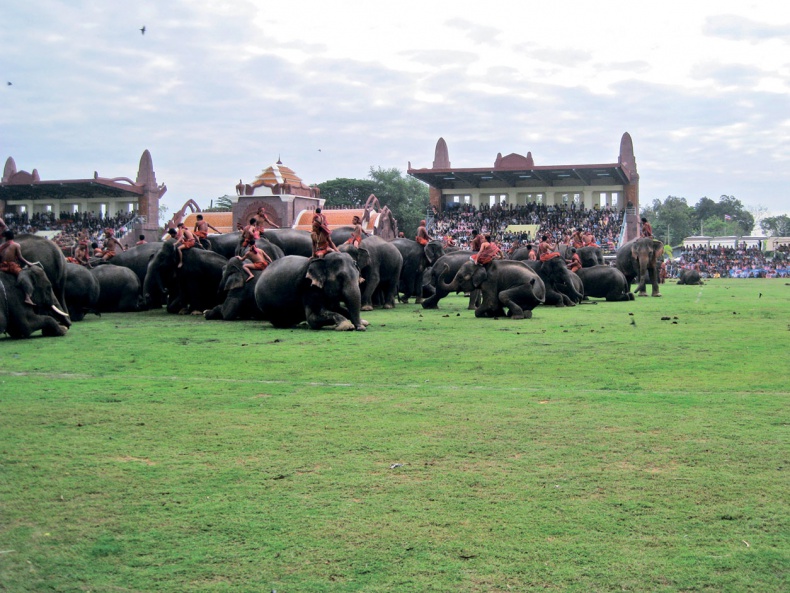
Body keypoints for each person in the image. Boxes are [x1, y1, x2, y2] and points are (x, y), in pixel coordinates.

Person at [0, 230, 36, 305]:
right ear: (12, 237)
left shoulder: (1, 246)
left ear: (6, 238)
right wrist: (28, 263)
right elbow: (20, 257)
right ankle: (27, 297)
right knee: (24, 276)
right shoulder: (16, 245)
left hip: (2, 266)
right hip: (12, 266)